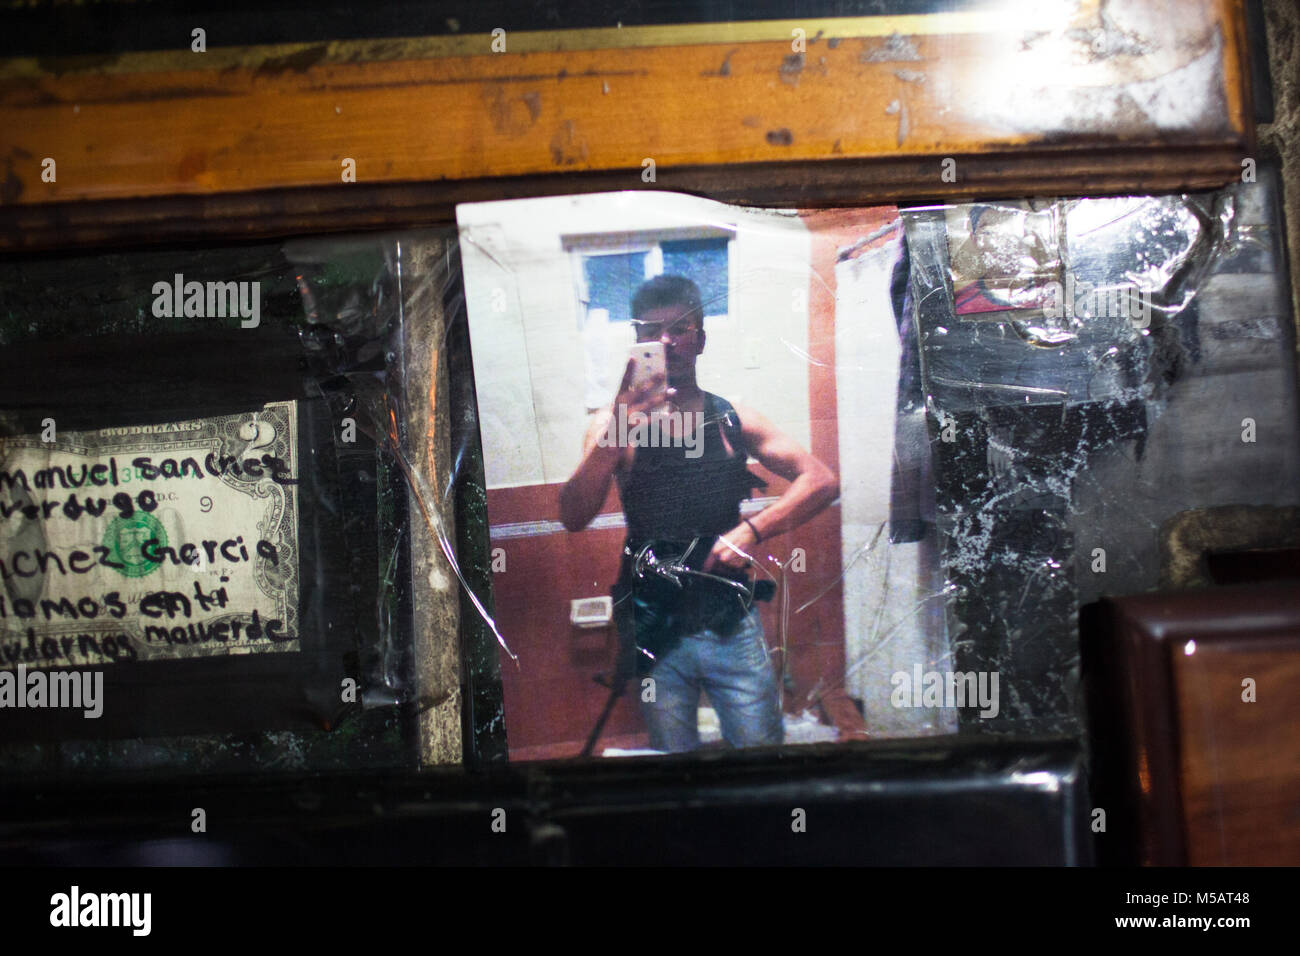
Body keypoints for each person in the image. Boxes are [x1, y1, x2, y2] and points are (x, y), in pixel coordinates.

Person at [559, 275, 838, 753]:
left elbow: (822, 480)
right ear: (639, 341)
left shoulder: (733, 418)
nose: (666, 341)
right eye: (651, 330)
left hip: (729, 617)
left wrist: (749, 533)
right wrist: (618, 432)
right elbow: (572, 515)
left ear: (700, 340)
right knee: (675, 758)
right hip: (653, 619)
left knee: (759, 750)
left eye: (681, 328)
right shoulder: (611, 426)